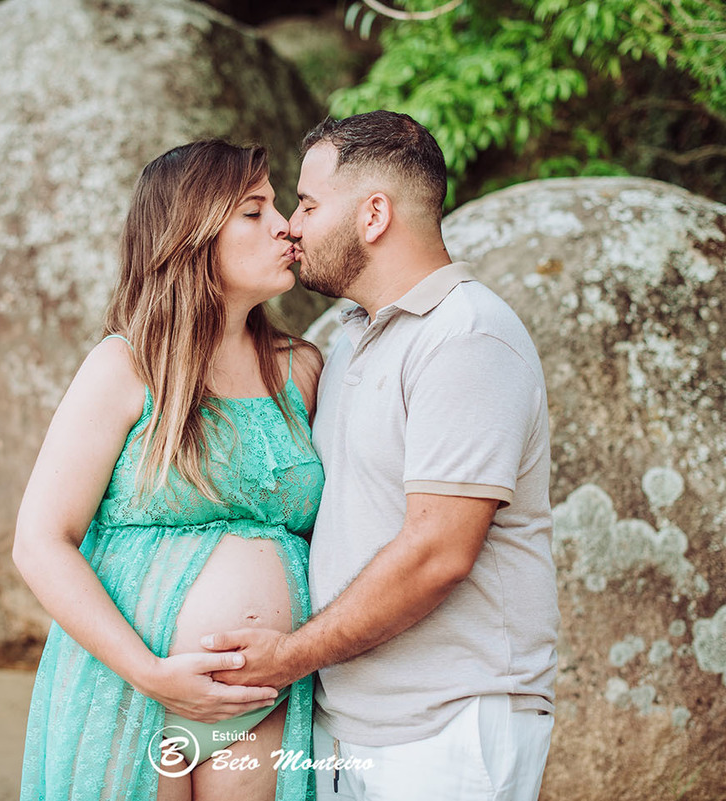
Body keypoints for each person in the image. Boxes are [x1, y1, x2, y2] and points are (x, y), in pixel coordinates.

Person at [203, 111, 560, 800]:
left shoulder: (466, 335)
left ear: (373, 215)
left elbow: (438, 551)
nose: (291, 226)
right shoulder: (350, 338)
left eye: (307, 204)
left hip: (446, 730)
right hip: (354, 729)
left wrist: (288, 657)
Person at [14, 140, 324, 801]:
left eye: (279, 206)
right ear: (194, 232)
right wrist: (150, 671)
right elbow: (40, 540)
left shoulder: (304, 369)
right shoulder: (124, 367)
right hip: (128, 692)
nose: (285, 224)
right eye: (255, 211)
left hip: (263, 705)